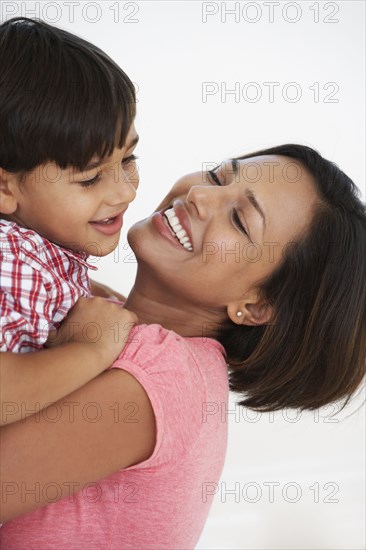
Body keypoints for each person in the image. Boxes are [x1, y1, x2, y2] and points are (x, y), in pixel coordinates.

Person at [1, 145, 365, 549]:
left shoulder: (163, 376)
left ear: (255, 305)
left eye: (240, 221)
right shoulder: (109, 322)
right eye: (218, 177)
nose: (199, 196)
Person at [0, 17, 139, 426]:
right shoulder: (9, 259)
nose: (125, 192)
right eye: (91, 177)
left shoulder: (36, 253)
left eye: (128, 160)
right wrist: (91, 351)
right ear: (5, 189)